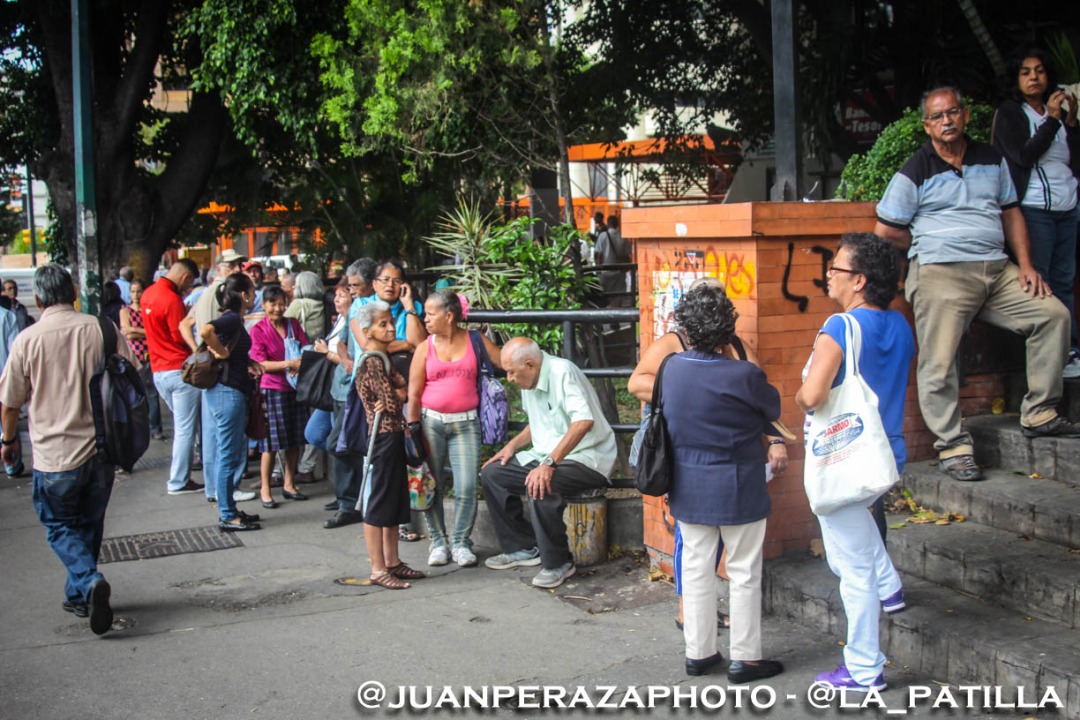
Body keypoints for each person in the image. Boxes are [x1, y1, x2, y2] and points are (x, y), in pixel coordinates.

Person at [874, 85, 1080, 484]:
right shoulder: (916, 168)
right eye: (937, 116)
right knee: (939, 359)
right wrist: (923, 243)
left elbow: (1010, 212)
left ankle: (1039, 412)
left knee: (1053, 315)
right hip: (940, 272)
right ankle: (953, 445)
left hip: (997, 270)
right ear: (926, 126)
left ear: (965, 116)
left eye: (952, 113)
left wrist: (1026, 265)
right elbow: (885, 229)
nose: (947, 121)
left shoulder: (991, 158)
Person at [627, 277, 790, 633]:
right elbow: (637, 382)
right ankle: (689, 611)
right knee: (695, 541)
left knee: (721, 544)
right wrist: (688, 391)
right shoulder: (672, 344)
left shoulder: (740, 349)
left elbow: (760, 400)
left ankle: (704, 637)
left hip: (735, 460)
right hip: (686, 454)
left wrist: (776, 441)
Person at [796, 233, 914, 692]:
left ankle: (864, 668)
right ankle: (891, 585)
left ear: (859, 281)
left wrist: (800, 394)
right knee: (856, 528)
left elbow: (812, 395)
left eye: (837, 269)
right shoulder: (901, 325)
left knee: (852, 570)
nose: (829, 275)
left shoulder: (840, 327)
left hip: (842, 459)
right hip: (883, 454)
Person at [0, 264, 139, 635]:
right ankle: (79, 594)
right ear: (73, 293)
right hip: (101, 448)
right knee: (89, 524)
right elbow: (133, 372)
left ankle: (88, 581)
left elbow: (10, 402)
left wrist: (9, 441)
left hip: (54, 454)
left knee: (58, 524)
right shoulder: (103, 328)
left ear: (39, 298)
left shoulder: (27, 340)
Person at [657, 284, 783, 681]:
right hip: (737, 482)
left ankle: (699, 652)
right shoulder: (744, 373)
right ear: (728, 329)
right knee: (743, 570)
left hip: (688, 482)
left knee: (695, 568)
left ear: (686, 329)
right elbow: (772, 408)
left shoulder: (672, 367)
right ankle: (745, 658)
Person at [481, 337, 616, 589]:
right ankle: (522, 547)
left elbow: (583, 421)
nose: (509, 378)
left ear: (530, 364)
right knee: (492, 474)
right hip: (547, 455)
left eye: (511, 372)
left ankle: (558, 563)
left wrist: (550, 463)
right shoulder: (529, 379)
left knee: (542, 482)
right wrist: (512, 446)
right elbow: (538, 422)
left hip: (588, 457)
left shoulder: (562, 372)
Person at [992, 48, 1080, 376]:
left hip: (1066, 205)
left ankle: (1068, 350)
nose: (1034, 77)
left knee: (1064, 281)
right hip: (1033, 208)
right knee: (1039, 283)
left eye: (1040, 71)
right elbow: (1023, 156)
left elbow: (1073, 159)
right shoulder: (1011, 113)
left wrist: (1069, 122)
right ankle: (1041, 358)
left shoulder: (1055, 112)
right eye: (1026, 72)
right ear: (1016, 79)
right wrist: (1053, 121)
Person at [407, 290, 503, 568]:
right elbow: (413, 394)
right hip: (430, 423)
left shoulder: (475, 340)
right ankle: (438, 541)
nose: (426, 319)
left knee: (467, 485)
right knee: (431, 485)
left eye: (431, 313)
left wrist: (532, 358)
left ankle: (461, 542)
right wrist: (413, 431)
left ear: (449, 316)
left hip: (466, 422)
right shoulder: (425, 347)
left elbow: (501, 360)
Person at [353, 259, 426, 542]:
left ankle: (392, 560)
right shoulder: (372, 358)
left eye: (396, 280)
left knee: (394, 492)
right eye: (385, 279)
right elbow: (393, 399)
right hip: (382, 431)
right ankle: (379, 566)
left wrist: (409, 310)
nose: (390, 285)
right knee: (380, 495)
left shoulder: (384, 356)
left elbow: (416, 349)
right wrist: (398, 392)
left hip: (395, 427)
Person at [198, 273, 265, 531]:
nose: (255, 295)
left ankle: (230, 510)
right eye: (252, 290)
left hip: (228, 391)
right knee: (228, 455)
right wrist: (221, 351)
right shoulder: (230, 318)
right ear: (243, 294)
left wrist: (246, 362)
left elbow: (232, 351)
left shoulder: (234, 319)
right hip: (227, 393)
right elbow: (207, 331)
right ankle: (227, 514)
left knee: (231, 452)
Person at [320, 260, 377, 528]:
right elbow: (342, 340)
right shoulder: (355, 307)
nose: (351, 290)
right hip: (345, 385)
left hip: (363, 386)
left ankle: (350, 500)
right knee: (341, 443)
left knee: (339, 443)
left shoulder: (377, 307)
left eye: (356, 285)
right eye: (350, 285)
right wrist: (345, 359)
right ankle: (348, 499)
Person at [140, 259, 204, 495]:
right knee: (186, 429)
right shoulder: (172, 299)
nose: (188, 289)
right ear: (186, 277)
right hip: (179, 370)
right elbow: (180, 337)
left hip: (159, 370)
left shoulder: (148, 294)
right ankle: (179, 480)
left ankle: (181, 477)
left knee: (184, 426)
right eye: (189, 284)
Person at [249, 285, 309, 508]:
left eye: (281, 303)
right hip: (272, 388)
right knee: (270, 443)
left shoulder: (293, 324)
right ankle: (266, 488)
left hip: (294, 388)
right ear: (263, 305)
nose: (277, 308)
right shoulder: (258, 330)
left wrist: (300, 361)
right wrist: (288, 364)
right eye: (272, 303)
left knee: (294, 439)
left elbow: (306, 347)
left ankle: (289, 483)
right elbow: (260, 363)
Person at [286, 270, 328, 484]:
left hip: (300, 367)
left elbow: (282, 327)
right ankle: (308, 466)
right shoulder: (324, 305)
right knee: (316, 413)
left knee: (296, 418)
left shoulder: (298, 306)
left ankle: (285, 471)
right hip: (320, 365)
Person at [119, 279, 164, 441]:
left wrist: (135, 330)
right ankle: (140, 428)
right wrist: (143, 332)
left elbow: (152, 332)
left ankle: (155, 427)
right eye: (133, 291)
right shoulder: (125, 311)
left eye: (138, 291)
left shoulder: (148, 310)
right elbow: (127, 333)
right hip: (134, 356)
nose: (136, 295)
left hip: (150, 354)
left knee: (151, 393)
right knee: (136, 393)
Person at [0, 291, 21, 476]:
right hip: (5, 376)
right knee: (8, 418)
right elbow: (14, 348)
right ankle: (12, 464)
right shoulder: (7, 316)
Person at [594, 215, 632, 304]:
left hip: (605, 272)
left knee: (605, 296)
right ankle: (617, 313)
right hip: (619, 273)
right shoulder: (623, 237)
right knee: (618, 297)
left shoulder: (603, 236)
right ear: (617, 224)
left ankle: (607, 314)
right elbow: (627, 255)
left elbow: (598, 255)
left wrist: (598, 268)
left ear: (608, 224)